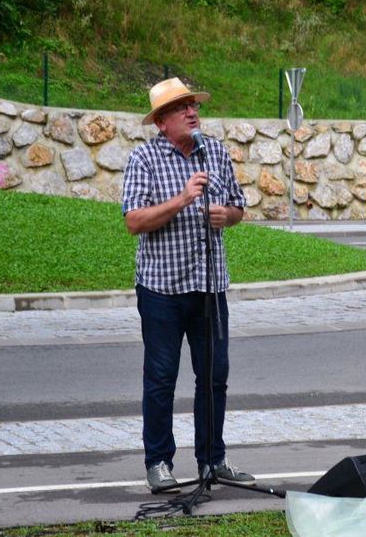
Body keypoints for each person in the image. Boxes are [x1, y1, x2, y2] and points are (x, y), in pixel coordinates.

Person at [122, 77, 256, 493]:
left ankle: (212, 460)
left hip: (209, 287)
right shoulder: (143, 158)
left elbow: (238, 207)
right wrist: (182, 200)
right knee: (161, 378)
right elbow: (134, 221)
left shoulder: (215, 151)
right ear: (162, 121)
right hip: (161, 290)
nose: (192, 112)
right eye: (182, 108)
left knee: (214, 377)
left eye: (194, 105)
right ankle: (159, 463)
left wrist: (226, 215)